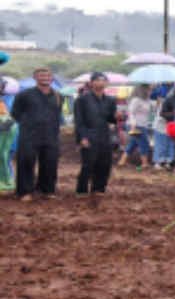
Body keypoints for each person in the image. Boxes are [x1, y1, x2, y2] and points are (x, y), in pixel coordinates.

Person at [11, 67, 63, 201]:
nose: (45, 78)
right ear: (35, 78)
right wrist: (28, 123)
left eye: (47, 75)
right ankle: (24, 192)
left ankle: (47, 190)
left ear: (51, 78)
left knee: (50, 163)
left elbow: (58, 115)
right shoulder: (25, 95)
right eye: (41, 75)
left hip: (51, 135)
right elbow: (15, 113)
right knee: (26, 162)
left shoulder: (58, 96)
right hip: (29, 135)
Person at [74, 72, 118, 196]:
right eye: (98, 80)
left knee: (105, 164)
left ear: (107, 83)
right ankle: (82, 190)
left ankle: (99, 188)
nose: (101, 83)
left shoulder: (110, 100)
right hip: (89, 134)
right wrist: (82, 137)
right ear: (91, 83)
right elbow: (79, 121)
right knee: (88, 164)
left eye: (103, 80)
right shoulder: (82, 100)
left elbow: (111, 119)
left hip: (104, 134)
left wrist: (116, 117)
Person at [118, 84, 154, 169]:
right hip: (135, 125)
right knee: (144, 143)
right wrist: (133, 123)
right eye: (148, 90)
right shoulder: (136, 100)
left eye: (150, 90)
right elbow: (131, 113)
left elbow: (150, 114)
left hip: (143, 124)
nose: (150, 91)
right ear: (143, 90)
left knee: (133, 144)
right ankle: (144, 163)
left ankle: (122, 161)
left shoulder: (148, 101)